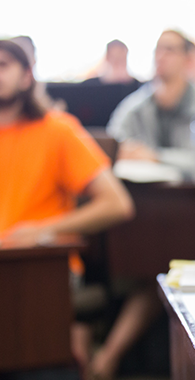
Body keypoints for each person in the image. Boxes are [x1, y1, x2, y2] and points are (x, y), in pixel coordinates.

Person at [0, 39, 135, 375]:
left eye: (2, 66)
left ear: (26, 75)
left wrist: (42, 230)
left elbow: (117, 203)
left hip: (41, 266)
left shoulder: (57, 130)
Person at [107, 30, 195, 163]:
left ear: (187, 59)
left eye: (169, 50)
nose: (160, 56)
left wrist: (155, 157)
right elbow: (111, 146)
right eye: (158, 49)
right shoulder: (135, 107)